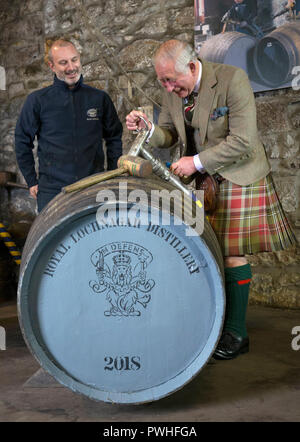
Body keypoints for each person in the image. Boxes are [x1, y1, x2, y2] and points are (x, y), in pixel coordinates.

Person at [126, 40, 297, 360]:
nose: (167, 87)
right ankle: (215, 322)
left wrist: (197, 162)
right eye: (162, 81)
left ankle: (236, 332)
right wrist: (149, 128)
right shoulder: (172, 87)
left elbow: (244, 141)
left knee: (231, 254)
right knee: (207, 250)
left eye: (171, 80)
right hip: (204, 182)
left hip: (238, 175)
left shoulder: (233, 79)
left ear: (192, 66)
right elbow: (169, 134)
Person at [15, 39, 123, 212]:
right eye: (63, 62)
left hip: (93, 186)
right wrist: (31, 180)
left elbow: (114, 137)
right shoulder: (37, 100)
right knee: (54, 239)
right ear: (52, 66)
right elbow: (22, 141)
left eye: (74, 60)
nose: (71, 67)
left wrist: (111, 174)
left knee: (97, 237)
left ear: (80, 59)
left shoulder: (99, 98)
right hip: (52, 191)